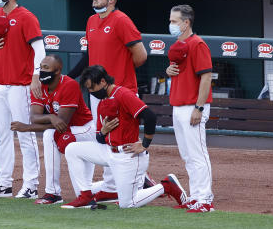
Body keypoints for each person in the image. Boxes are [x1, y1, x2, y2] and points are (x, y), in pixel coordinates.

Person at [61, 65, 187, 209]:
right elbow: (100, 139)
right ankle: (85, 196)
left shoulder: (123, 94)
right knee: (72, 149)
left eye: (91, 88)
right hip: (108, 152)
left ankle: (166, 185)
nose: (90, 92)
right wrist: (103, 131)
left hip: (128, 155)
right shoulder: (103, 102)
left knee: (127, 203)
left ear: (102, 82)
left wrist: (145, 144)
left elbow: (150, 117)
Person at [68, 0, 148, 202]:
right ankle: (115, 184)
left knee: (119, 138)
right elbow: (88, 55)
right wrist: (70, 77)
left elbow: (140, 55)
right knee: (104, 136)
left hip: (120, 90)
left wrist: (119, 75)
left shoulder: (122, 20)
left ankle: (125, 181)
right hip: (98, 92)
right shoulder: (91, 20)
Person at [0, 0, 44, 198]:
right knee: (2, 134)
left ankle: (31, 185)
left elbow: (40, 49)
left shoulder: (26, 17)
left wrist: (36, 76)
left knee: (25, 135)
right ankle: (4, 183)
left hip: (20, 85)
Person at [11, 54, 96, 205]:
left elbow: (62, 123)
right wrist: (51, 117)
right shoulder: (39, 87)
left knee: (52, 134)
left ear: (57, 71)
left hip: (86, 129)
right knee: (49, 134)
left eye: (46, 68)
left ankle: (124, 183)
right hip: (67, 130)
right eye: (41, 67)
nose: (42, 71)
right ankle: (53, 192)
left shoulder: (69, 84)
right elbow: (35, 116)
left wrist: (27, 128)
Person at [166, 4, 215, 213]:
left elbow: (206, 76)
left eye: (174, 21)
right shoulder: (179, 44)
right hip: (178, 105)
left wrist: (199, 107)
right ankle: (195, 196)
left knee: (198, 154)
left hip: (192, 106)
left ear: (186, 23)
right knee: (187, 155)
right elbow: (179, 73)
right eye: (170, 21)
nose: (171, 25)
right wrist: (168, 70)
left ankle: (205, 199)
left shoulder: (198, 44)